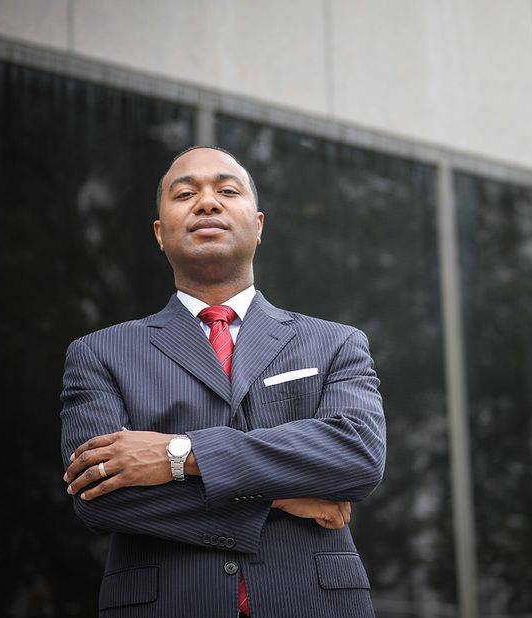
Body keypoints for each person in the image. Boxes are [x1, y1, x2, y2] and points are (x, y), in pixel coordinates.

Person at [59, 146, 385, 617]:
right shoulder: (98, 354)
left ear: (258, 226)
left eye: (226, 191)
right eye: (185, 193)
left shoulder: (335, 342)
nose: (207, 202)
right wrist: (281, 497)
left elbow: (356, 455)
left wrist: (179, 456)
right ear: (159, 234)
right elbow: (100, 496)